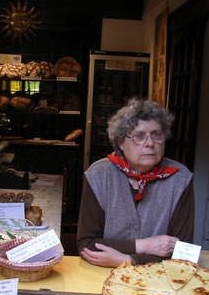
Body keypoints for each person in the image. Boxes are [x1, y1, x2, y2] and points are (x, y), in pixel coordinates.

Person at [77, 97, 194, 267]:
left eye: (157, 135)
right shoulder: (99, 175)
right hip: (103, 277)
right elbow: (86, 245)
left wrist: (128, 260)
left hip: (159, 281)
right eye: (139, 136)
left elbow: (184, 253)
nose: (150, 143)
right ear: (120, 142)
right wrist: (145, 245)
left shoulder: (180, 178)